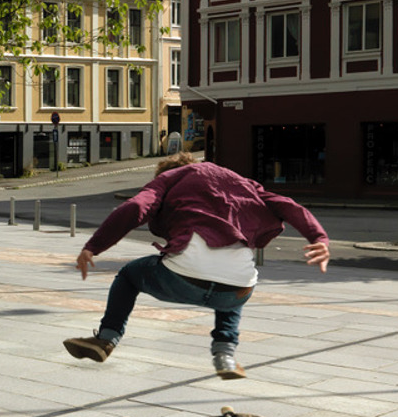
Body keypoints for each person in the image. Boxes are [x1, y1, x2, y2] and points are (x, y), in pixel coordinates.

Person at [64, 152, 329, 379]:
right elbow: (289, 205)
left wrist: (93, 247)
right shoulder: (242, 183)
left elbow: (136, 207)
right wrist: (319, 238)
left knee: (129, 275)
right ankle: (225, 355)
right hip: (238, 289)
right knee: (236, 284)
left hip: (182, 277)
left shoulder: (170, 178)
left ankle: (107, 339)